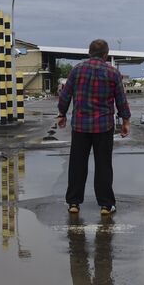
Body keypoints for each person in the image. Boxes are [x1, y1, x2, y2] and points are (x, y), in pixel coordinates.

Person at [57, 39, 131, 215]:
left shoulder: (77, 70)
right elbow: (121, 99)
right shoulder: (113, 73)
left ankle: (74, 203)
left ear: (89, 53)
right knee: (103, 165)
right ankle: (106, 205)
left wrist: (62, 114)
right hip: (104, 126)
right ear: (106, 55)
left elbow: (65, 95)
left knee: (77, 164)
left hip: (80, 126)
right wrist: (125, 121)